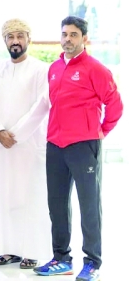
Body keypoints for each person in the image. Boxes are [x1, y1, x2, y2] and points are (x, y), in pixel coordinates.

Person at [36, 16, 122, 281]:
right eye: (64, 34)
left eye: (73, 35)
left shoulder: (95, 69)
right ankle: (61, 258)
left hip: (84, 146)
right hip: (56, 146)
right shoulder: (53, 68)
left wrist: (98, 133)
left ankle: (93, 262)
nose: (67, 39)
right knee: (57, 204)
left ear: (84, 38)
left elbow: (115, 107)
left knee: (89, 205)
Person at [0, 19, 50, 269]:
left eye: (20, 36)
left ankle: (32, 250)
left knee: (30, 196)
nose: (15, 41)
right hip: (0, 146)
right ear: (4, 41)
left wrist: (16, 134)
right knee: (1, 197)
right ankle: (5, 249)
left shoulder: (42, 70)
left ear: (29, 39)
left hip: (29, 146)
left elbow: (41, 107)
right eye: (10, 37)